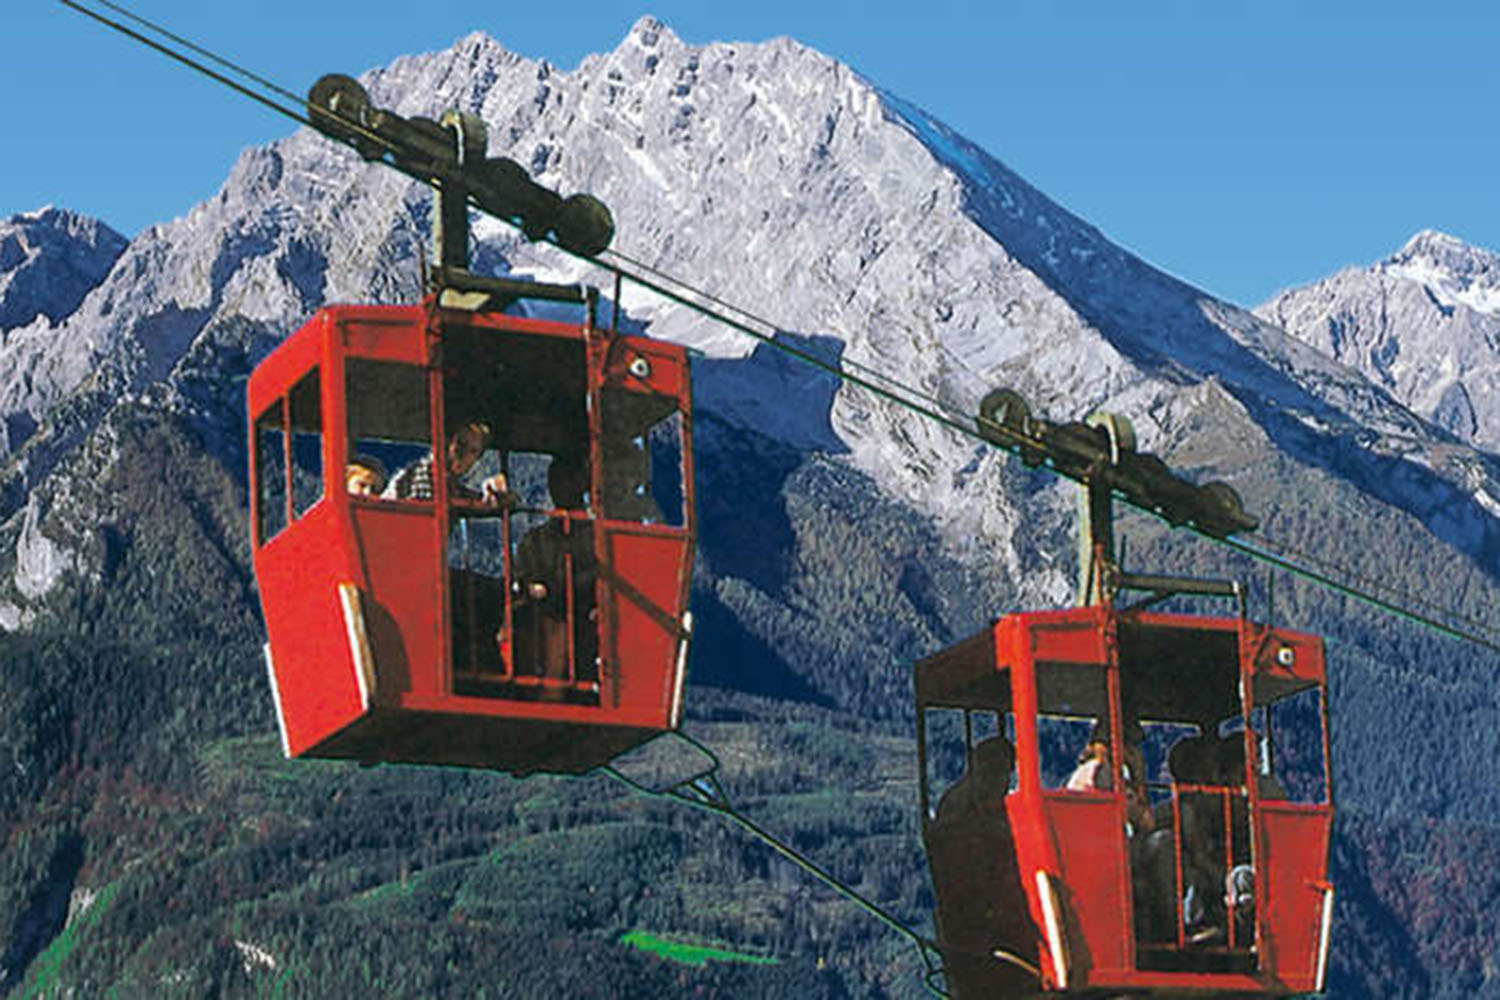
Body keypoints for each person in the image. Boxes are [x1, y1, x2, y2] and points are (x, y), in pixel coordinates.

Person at [512, 455, 597, 684]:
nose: (562, 488)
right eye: (557, 481)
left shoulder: (597, 539)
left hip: (584, 623)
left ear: (583, 484)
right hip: (543, 620)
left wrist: (554, 589)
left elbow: (597, 578)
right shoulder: (535, 540)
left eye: (570, 480)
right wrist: (530, 587)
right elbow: (520, 578)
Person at [384, 419, 511, 505]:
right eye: (461, 444)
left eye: (472, 451)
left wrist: (490, 495)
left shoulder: (449, 483)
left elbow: (459, 497)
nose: (463, 454)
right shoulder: (423, 474)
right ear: (447, 442)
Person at [935, 736, 1015, 824]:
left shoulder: (990, 801)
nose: (1006, 780)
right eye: (1002, 771)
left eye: (1008, 772)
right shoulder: (957, 805)